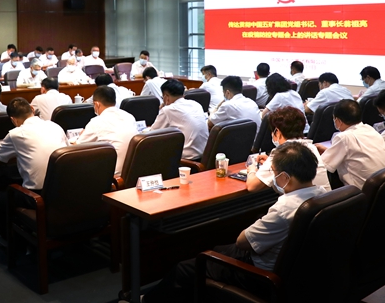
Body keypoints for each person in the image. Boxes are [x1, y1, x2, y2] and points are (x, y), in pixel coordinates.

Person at [141, 143, 326, 303]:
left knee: (185, 268)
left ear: (285, 177)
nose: (274, 178)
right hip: (301, 274)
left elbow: (242, 242)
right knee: (218, 249)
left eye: (274, 173)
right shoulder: (323, 195)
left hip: (261, 275)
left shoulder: (284, 209)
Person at [0, 97, 68, 244]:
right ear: (32, 110)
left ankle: (11, 240)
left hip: (37, 196)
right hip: (63, 190)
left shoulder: (16, 134)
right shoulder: (55, 126)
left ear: (13, 119)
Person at [247, 107, 329, 192]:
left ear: (277, 132)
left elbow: (252, 186)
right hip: (325, 198)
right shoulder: (311, 147)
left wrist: (252, 170)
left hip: (302, 199)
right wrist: (274, 164)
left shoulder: (281, 153)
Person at [315, 99, 385, 189]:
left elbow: (323, 165)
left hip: (361, 192)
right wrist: (328, 151)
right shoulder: (369, 128)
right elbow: (356, 153)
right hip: (382, 187)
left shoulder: (344, 137)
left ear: (338, 121)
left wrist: (313, 152)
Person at [76, 86, 138, 176]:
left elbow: (78, 147)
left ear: (97, 104)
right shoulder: (129, 116)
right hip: (132, 172)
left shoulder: (96, 122)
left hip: (113, 175)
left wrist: (81, 135)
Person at [150, 79, 208, 160]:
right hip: (205, 154)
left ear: (166, 97)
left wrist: (162, 110)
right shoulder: (196, 104)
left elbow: (152, 133)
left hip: (187, 159)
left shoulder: (168, 110)